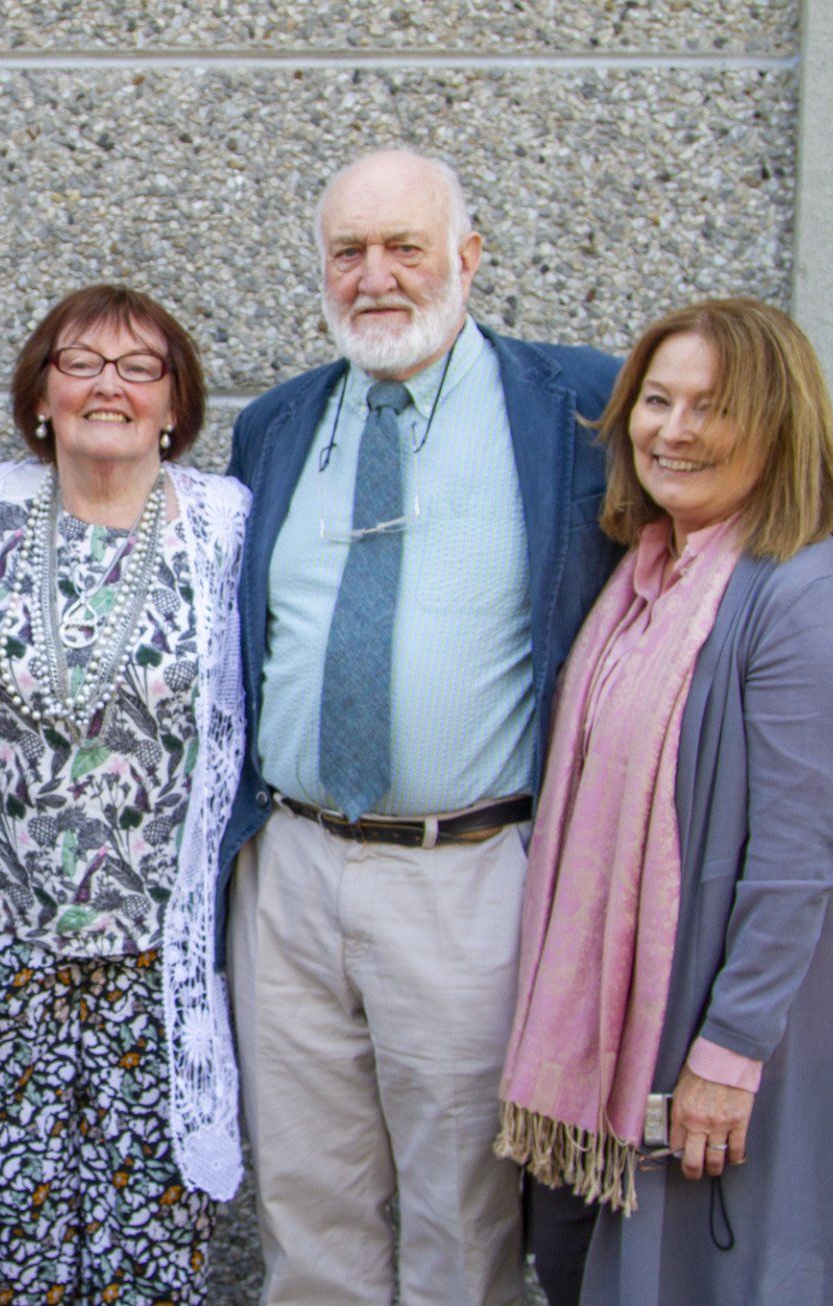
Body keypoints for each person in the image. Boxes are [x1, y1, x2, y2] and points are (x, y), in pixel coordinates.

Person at [220, 147, 621, 1304]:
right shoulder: (279, 424)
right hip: (289, 871)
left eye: (405, 246)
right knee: (306, 1210)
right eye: (348, 251)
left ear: (469, 256)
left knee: (464, 1218)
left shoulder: (578, 407)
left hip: (468, 875)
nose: (376, 276)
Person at [495, 298, 833, 1305]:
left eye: (713, 406)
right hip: (603, 1040)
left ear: (779, 424)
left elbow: (799, 862)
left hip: (707, 1031)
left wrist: (729, 1054)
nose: (675, 430)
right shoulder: (644, 576)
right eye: (657, 401)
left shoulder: (808, 595)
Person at [0, 285, 248, 1302]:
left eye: (139, 368)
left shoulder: (224, 524)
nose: (107, 387)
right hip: (2, 958)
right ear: (41, 394)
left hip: (153, 966)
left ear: (175, 402)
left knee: (152, 1256)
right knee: (18, 1251)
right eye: (80, 362)